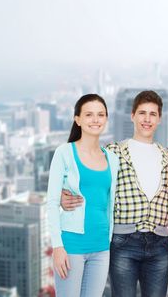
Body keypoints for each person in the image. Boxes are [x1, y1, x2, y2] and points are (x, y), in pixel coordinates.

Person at [60, 90, 168, 297]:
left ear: (160, 119)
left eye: (153, 114)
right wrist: (61, 195)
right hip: (123, 242)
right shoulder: (113, 152)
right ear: (132, 116)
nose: (147, 119)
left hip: (159, 244)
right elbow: (89, 180)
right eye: (142, 113)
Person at [46, 94, 119, 297]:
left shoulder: (112, 159)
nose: (95, 120)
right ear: (77, 119)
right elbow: (51, 203)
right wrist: (58, 247)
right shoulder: (64, 152)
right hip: (72, 245)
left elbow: (109, 202)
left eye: (100, 115)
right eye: (89, 114)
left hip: (102, 247)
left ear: (106, 119)